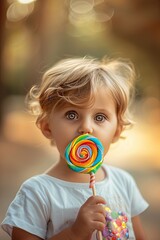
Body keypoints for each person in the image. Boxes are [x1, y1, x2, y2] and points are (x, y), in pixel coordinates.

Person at [1, 56, 149, 240]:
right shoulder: (37, 193)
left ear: (117, 131)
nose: (86, 127)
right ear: (47, 127)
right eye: (72, 114)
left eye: (100, 117)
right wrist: (75, 232)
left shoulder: (124, 183)